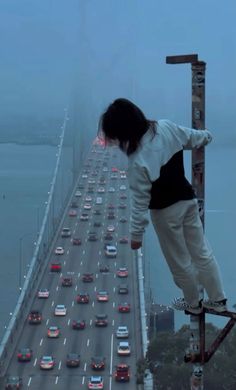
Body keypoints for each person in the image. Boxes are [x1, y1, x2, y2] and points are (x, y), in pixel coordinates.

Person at [99, 98, 227, 315]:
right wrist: (206, 136)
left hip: (165, 213)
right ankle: (218, 299)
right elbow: (192, 138)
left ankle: (193, 303)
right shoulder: (166, 128)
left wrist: (136, 236)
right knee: (202, 253)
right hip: (188, 201)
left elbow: (140, 203)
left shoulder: (137, 160)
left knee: (179, 261)